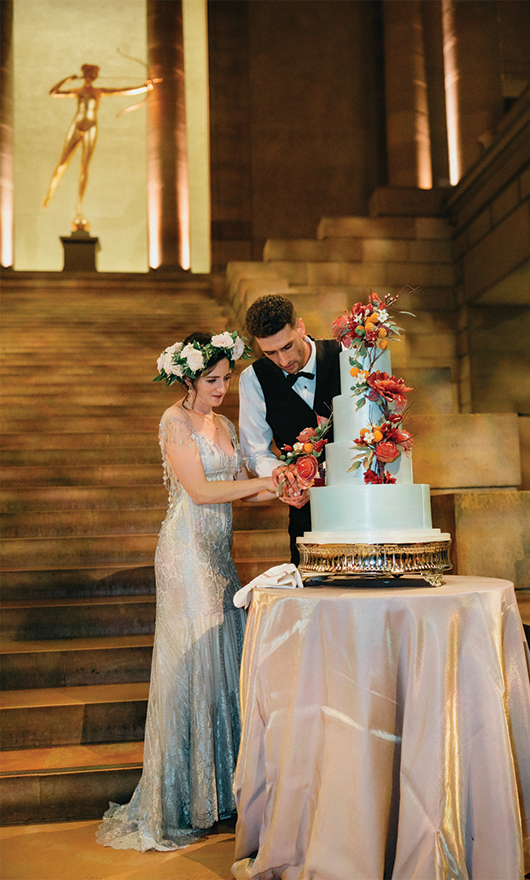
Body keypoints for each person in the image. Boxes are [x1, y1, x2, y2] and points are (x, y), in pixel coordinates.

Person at [97, 332, 287, 851]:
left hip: (219, 556)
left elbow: (240, 489)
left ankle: (222, 794)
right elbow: (202, 492)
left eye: (226, 378)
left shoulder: (223, 424)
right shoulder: (174, 420)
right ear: (187, 379)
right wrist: (261, 485)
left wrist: (282, 484)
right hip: (185, 554)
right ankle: (182, 800)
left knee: (224, 661)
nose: (223, 388)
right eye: (212, 380)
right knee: (195, 664)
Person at [239, 294, 341, 564]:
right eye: (270, 353)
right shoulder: (252, 379)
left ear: (300, 327)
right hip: (305, 512)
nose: (283, 361)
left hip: (360, 500)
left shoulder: (345, 357)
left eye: (287, 346)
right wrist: (285, 478)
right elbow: (255, 452)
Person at [42, 63, 158, 226]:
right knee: (62, 163)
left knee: (84, 167)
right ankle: (49, 194)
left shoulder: (98, 91)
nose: (90, 76)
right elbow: (54, 92)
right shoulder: (79, 91)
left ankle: (79, 206)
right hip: (77, 125)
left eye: (92, 73)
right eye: (88, 73)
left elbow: (122, 91)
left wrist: (144, 88)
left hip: (91, 126)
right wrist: (67, 79)